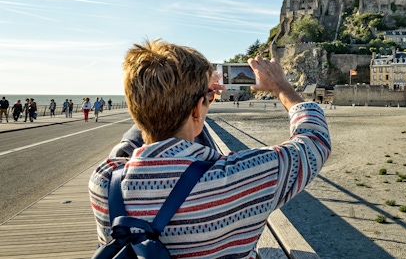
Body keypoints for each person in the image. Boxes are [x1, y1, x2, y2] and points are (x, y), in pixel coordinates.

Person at [89, 39, 330, 258]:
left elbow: (135, 139)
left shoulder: (104, 181)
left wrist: (175, 99)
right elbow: (314, 140)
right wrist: (281, 87)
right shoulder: (240, 176)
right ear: (196, 109)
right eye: (207, 100)